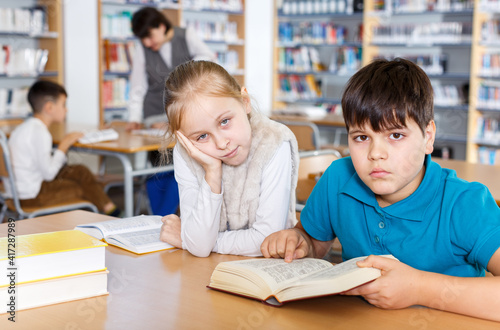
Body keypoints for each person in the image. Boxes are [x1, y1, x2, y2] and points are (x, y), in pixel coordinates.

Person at [260, 58, 500, 322]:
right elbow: (314, 241)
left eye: (395, 135)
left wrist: (419, 289)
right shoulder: (338, 179)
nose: (376, 154)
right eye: (361, 137)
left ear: (428, 137)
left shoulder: (466, 204)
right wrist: (299, 241)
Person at [159, 60, 299, 257]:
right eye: (202, 136)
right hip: (207, 272)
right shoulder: (187, 152)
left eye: (225, 122)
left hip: (270, 270)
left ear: (245, 101)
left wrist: (192, 239)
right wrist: (212, 173)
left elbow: (267, 239)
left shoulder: (274, 141)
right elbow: (198, 248)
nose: (221, 143)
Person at [6, 80, 121, 217]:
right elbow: (49, 174)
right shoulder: (40, 133)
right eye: (63, 105)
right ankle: (113, 215)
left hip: (18, 191)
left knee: (79, 171)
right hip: (31, 197)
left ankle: (109, 208)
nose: (66, 109)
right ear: (49, 107)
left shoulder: (24, 128)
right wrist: (63, 146)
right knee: (84, 188)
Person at [126, 7, 215, 130]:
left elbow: (209, 57)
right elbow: (137, 84)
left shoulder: (186, 35)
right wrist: (134, 118)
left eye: (150, 36)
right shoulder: (142, 49)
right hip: (155, 115)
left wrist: (190, 67)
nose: (147, 43)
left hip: (186, 112)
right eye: (142, 39)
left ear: (162, 27)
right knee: (160, 144)